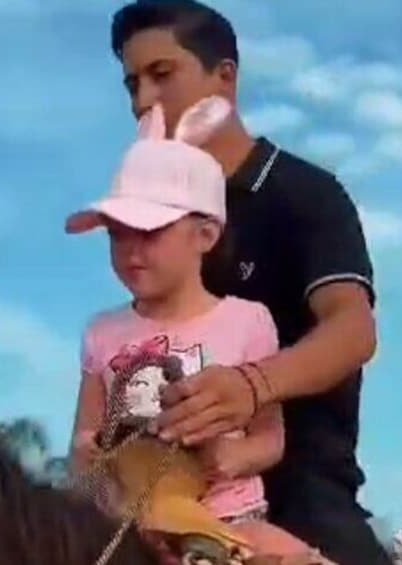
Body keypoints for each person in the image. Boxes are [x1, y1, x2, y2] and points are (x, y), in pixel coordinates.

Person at [108, 2, 386, 564]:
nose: (142, 102)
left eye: (163, 75)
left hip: (303, 494)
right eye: (132, 83)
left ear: (225, 77)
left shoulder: (304, 194)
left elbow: (353, 329)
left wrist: (250, 385)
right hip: (171, 500)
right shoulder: (154, 219)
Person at [66, 96, 325, 562]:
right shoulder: (102, 332)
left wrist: (227, 458)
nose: (130, 250)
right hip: (132, 524)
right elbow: (84, 436)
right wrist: (99, 465)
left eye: (149, 232)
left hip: (230, 523)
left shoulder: (247, 321)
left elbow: (270, 438)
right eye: (117, 234)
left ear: (205, 235)